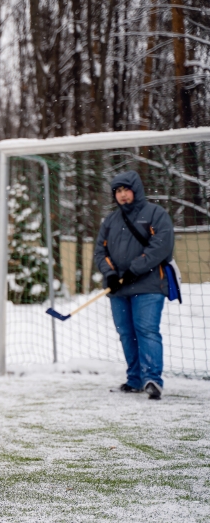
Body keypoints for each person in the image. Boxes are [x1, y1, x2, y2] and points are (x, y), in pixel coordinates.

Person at [94, 170, 175, 400]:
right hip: (118, 289)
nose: (121, 195)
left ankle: (152, 380)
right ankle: (135, 379)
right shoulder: (110, 220)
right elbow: (101, 251)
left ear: (135, 190)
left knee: (147, 331)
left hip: (149, 286)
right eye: (117, 191)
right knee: (127, 334)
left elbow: (161, 246)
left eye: (125, 190)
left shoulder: (155, 214)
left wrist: (133, 270)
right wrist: (110, 274)